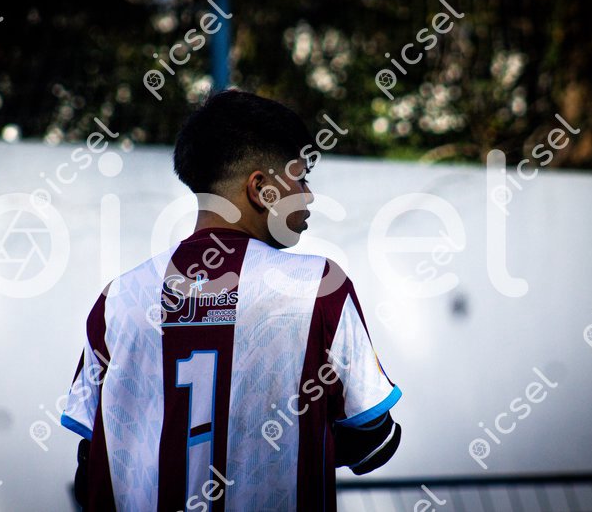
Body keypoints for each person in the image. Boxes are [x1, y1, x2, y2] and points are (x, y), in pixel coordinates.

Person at [61, 90, 402, 511]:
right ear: (261, 189)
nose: (309, 195)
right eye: (301, 178)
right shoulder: (320, 286)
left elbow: (88, 465)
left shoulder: (117, 298)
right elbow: (376, 440)